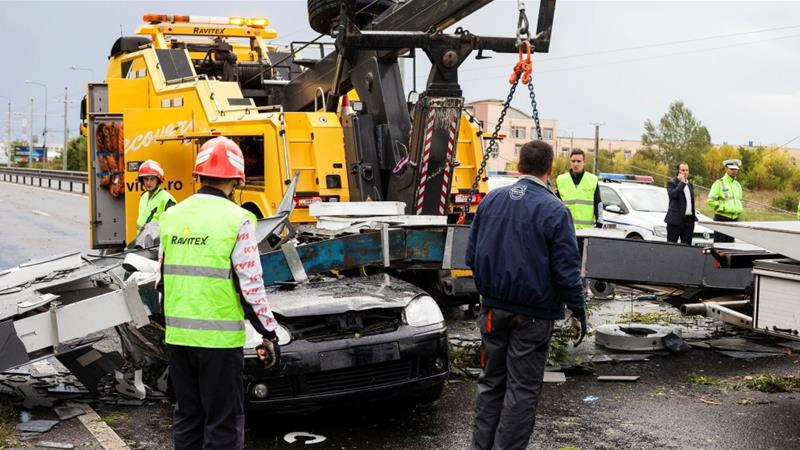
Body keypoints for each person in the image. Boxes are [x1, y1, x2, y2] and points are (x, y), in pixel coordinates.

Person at [158, 136, 280, 449]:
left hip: (178, 339)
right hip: (219, 343)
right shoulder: (238, 219)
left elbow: (162, 279)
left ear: (199, 174)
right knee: (223, 425)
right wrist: (269, 333)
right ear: (237, 180)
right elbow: (250, 285)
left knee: (188, 419)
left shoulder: (171, 217)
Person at [466, 140, 587, 450]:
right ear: (550, 170)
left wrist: (489, 292)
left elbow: (471, 256)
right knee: (521, 390)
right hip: (533, 315)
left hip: (493, 310)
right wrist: (578, 310)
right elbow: (567, 271)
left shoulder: (492, 200)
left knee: (491, 383)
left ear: (518, 167)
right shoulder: (555, 210)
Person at [555, 149, 602, 229]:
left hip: (586, 230)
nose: (575, 164)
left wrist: (599, 222)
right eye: (573, 161)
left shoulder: (592, 180)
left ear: (584, 162)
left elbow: (598, 203)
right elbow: (556, 205)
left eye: (579, 161)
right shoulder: (561, 180)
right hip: (566, 229)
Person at [707, 159, 743, 243]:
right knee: (720, 248)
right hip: (722, 219)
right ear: (726, 169)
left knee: (730, 247)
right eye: (732, 169)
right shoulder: (719, 183)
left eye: (736, 169)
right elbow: (710, 201)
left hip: (734, 220)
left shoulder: (737, 185)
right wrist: (723, 209)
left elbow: (739, 200)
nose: (734, 171)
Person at [137, 159, 176, 232]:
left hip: (160, 243)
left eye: (152, 179)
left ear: (158, 180)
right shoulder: (143, 197)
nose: (148, 183)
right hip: (141, 241)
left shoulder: (167, 199)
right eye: (146, 179)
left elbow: (173, 227)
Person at [664, 162, 697, 244]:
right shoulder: (672, 183)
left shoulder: (690, 184)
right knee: (672, 246)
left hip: (689, 221)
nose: (685, 172)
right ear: (678, 171)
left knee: (687, 247)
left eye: (687, 170)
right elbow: (673, 195)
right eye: (683, 170)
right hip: (675, 220)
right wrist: (681, 183)